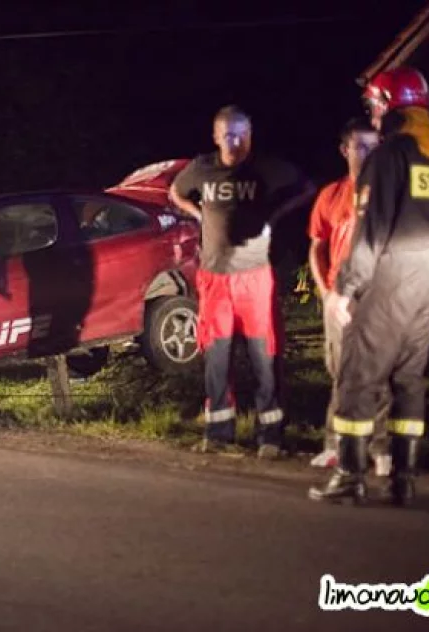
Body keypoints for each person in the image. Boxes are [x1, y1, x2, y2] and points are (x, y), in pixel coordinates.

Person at [310, 66, 429, 505]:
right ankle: (404, 480)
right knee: (410, 378)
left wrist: (343, 288)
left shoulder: (389, 157)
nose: (373, 114)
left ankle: (350, 475)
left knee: (358, 375)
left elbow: (372, 231)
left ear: (389, 105)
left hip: (392, 270)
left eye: (375, 105)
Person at [169, 104, 315, 458]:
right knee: (216, 356)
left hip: (254, 278)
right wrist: (198, 213)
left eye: (242, 134)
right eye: (228, 135)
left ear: (250, 136)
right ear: (216, 136)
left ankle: (270, 436)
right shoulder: (202, 168)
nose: (235, 143)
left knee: (264, 356)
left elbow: (307, 188)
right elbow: (175, 192)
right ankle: (219, 432)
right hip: (215, 279)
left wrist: (275, 216)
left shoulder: (267, 168)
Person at [307, 118, 392, 475]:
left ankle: (381, 448)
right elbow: (316, 247)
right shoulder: (331, 195)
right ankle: (335, 444)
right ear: (345, 150)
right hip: (339, 298)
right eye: (359, 146)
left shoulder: (389, 195)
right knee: (341, 373)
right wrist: (326, 292)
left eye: (372, 147)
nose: (366, 154)